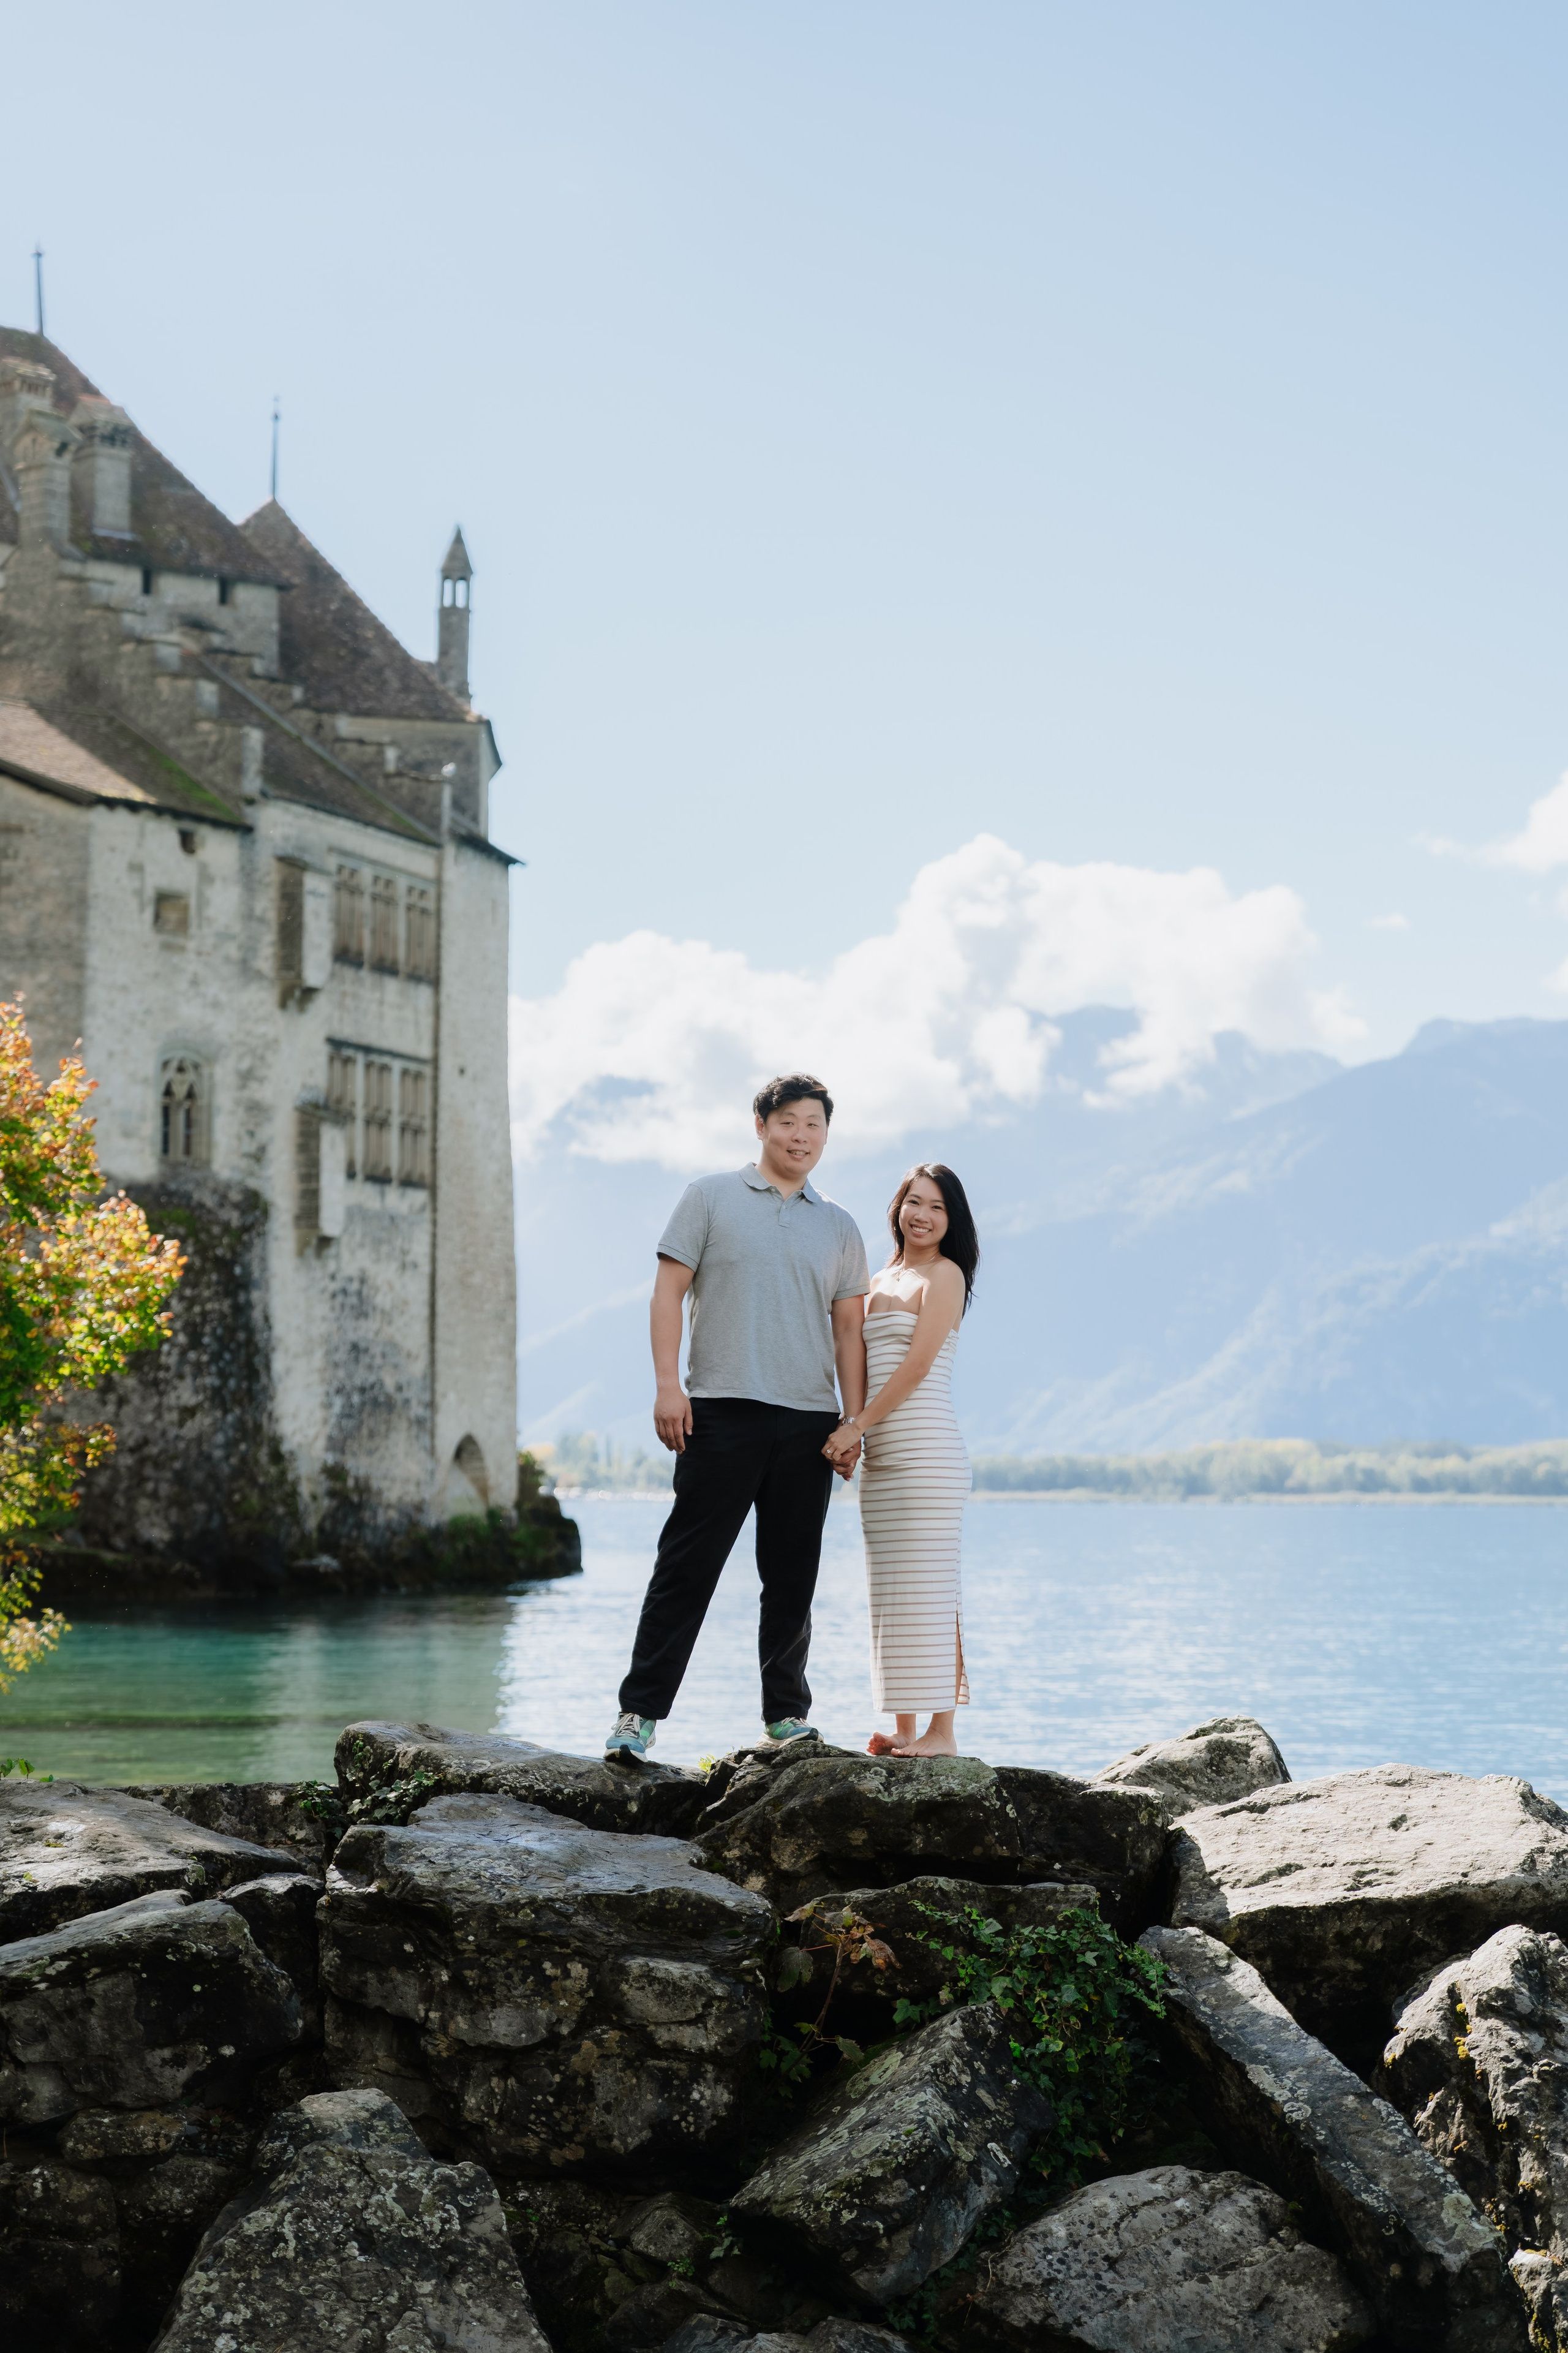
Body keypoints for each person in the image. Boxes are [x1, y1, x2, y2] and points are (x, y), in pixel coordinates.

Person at [605, 1075, 870, 1762]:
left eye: (814, 1124)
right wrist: (670, 1386)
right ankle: (638, 1717)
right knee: (685, 1569)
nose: (801, 1135)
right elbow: (668, 1293)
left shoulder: (838, 1224)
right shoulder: (709, 1197)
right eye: (788, 1121)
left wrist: (854, 1420)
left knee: (791, 1579)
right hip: (719, 1411)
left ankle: (785, 1716)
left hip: (809, 1421)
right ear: (761, 1125)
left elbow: (848, 1331)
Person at [825, 1163, 978, 1758]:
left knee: (933, 1587)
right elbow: (857, 1361)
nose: (922, 1215)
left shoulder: (945, 1276)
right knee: (892, 1590)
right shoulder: (882, 1276)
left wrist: (857, 1424)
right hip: (883, 1456)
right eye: (913, 1202)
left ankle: (943, 1733)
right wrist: (853, 1431)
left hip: (927, 1449)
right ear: (897, 1208)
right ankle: (903, 1727)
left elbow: (915, 1368)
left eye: (937, 1207)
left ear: (951, 1220)